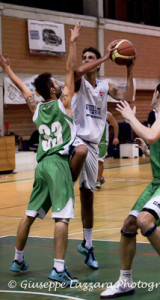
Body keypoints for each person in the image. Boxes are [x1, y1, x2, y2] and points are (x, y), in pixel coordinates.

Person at [0, 22, 82, 285]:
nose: (61, 83)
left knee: (30, 214)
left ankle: (18, 258)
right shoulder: (64, 103)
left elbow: (23, 89)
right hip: (57, 164)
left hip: (41, 165)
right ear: (53, 90)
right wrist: (72, 41)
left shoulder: (36, 109)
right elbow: (70, 70)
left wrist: (6, 68)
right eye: (57, 83)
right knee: (63, 217)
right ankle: (58, 268)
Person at [100, 78, 160, 299]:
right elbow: (158, 144)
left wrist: (131, 118)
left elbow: (151, 136)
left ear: (157, 94)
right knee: (130, 223)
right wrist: (147, 151)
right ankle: (125, 280)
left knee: (144, 220)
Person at [69, 43, 135, 269]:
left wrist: (129, 69)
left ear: (96, 64)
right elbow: (77, 71)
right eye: (84, 57)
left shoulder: (105, 86)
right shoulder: (78, 82)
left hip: (94, 146)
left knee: (88, 197)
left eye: (90, 58)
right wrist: (105, 56)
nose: (86, 60)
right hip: (76, 141)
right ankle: (64, 185)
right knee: (72, 187)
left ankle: (87, 244)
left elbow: (128, 95)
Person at [96, 111, 119, 189]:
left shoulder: (108, 114)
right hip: (92, 140)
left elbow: (115, 125)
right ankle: (100, 177)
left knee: (100, 161)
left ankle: (98, 180)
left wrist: (115, 137)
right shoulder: (89, 112)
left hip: (103, 141)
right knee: (91, 162)